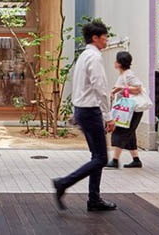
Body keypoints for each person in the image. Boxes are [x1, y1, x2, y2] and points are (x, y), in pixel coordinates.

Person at [52, 20, 117, 212]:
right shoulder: (94, 58)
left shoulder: (83, 57)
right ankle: (63, 183)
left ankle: (94, 199)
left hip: (82, 110)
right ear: (95, 38)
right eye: (104, 37)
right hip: (91, 112)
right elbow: (101, 88)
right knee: (101, 158)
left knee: (97, 155)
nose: (106, 40)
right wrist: (109, 116)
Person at [105, 51, 144, 169]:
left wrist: (119, 89)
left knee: (121, 132)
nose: (114, 62)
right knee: (129, 134)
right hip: (127, 110)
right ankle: (136, 160)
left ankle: (115, 160)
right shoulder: (124, 74)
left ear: (120, 63)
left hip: (131, 111)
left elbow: (137, 89)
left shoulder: (128, 75)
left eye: (116, 60)